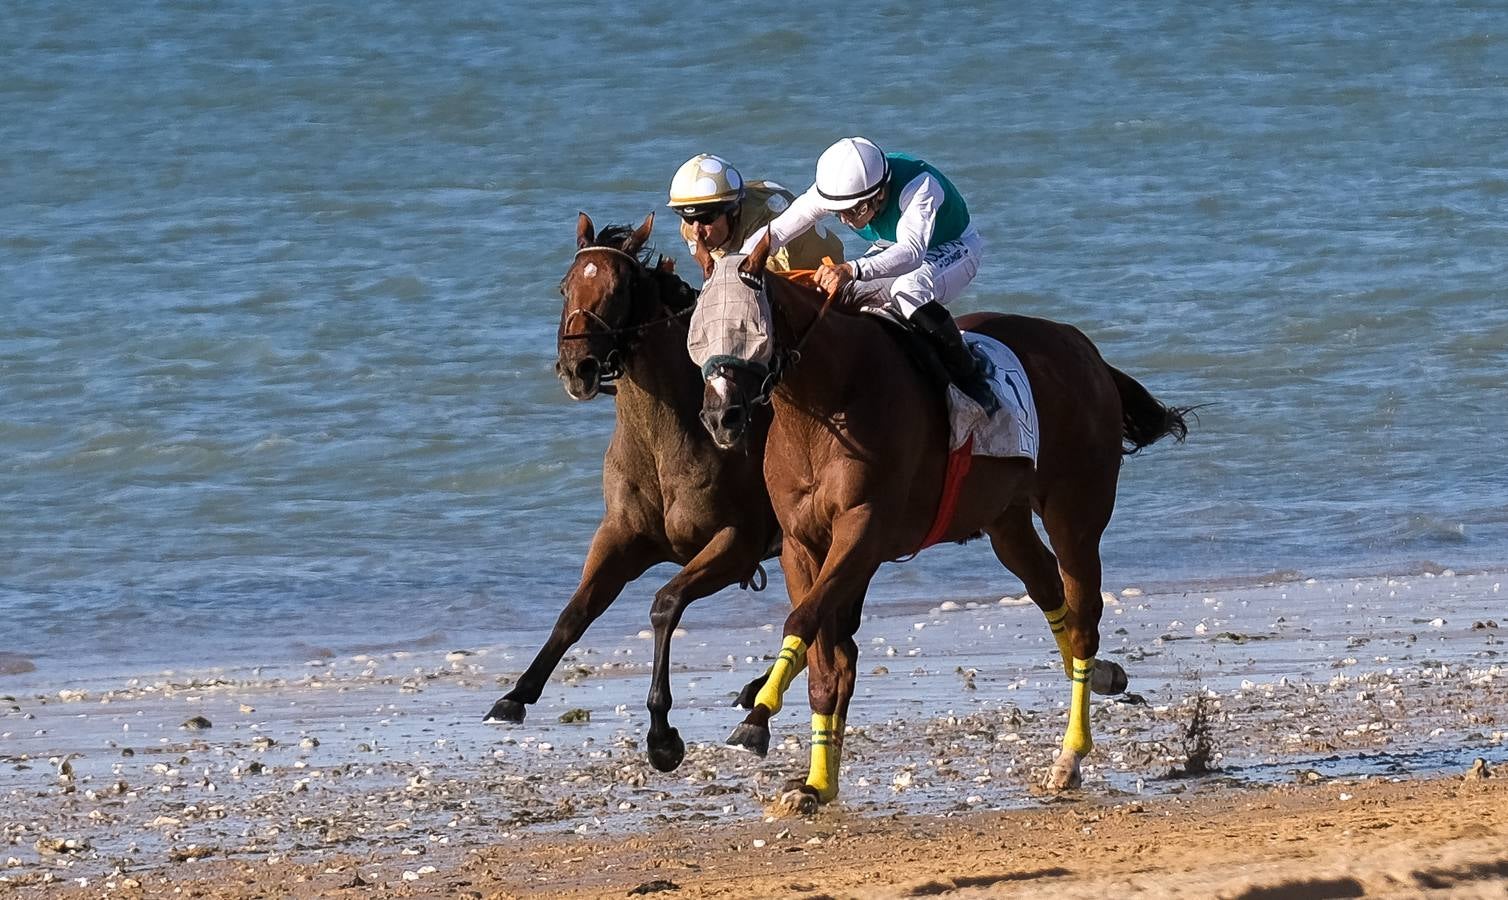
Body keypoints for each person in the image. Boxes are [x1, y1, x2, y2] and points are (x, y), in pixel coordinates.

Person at [741, 137, 998, 414]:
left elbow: (912, 252)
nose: (846, 220)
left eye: (855, 211)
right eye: (838, 214)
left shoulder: (919, 186)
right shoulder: (836, 190)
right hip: (892, 246)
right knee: (837, 296)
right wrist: (739, 263)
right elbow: (777, 232)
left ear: (880, 194)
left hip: (955, 247)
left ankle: (971, 375)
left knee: (909, 288)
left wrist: (851, 269)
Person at [667, 154, 845, 274]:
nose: (696, 230)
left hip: (817, 267)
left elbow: (759, 289)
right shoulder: (691, 228)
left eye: (707, 218)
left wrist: (710, 269)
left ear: (733, 210)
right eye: (688, 218)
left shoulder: (766, 223)